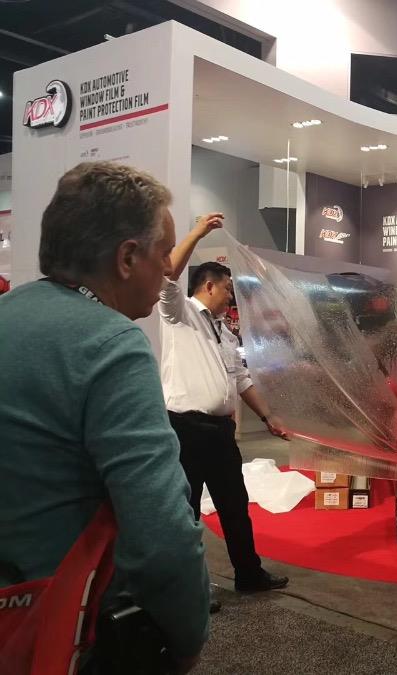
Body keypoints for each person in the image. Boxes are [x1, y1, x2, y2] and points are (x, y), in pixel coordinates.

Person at [0, 162, 209, 671]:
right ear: (127, 258)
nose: (168, 270)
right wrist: (188, 639)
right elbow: (162, 539)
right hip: (61, 628)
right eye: (164, 253)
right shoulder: (111, 345)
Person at [159, 215, 290, 594]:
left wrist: (268, 416)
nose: (232, 298)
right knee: (184, 512)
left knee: (235, 505)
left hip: (220, 433)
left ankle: (249, 574)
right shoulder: (180, 314)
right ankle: (187, 589)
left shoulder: (225, 333)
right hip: (185, 430)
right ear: (209, 286)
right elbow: (167, 278)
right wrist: (198, 231)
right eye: (229, 290)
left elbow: (242, 379)